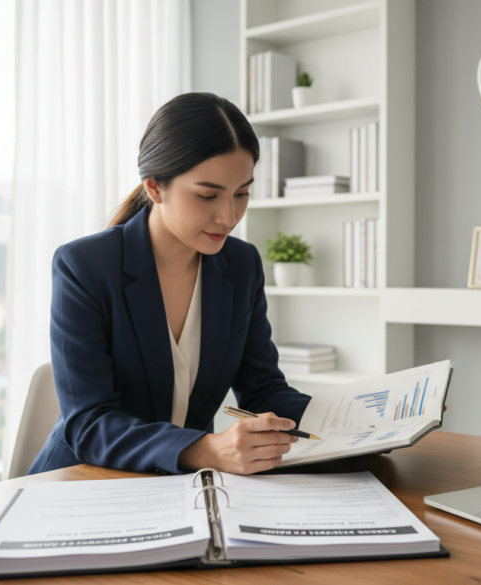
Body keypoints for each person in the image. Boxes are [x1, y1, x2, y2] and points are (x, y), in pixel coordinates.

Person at [28, 93, 312, 477]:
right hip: (83, 481)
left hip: (183, 491)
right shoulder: (85, 267)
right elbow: (89, 424)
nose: (228, 216)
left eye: (242, 193)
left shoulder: (241, 265)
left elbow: (263, 390)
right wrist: (206, 448)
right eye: (207, 195)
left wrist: (352, 423)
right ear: (155, 187)